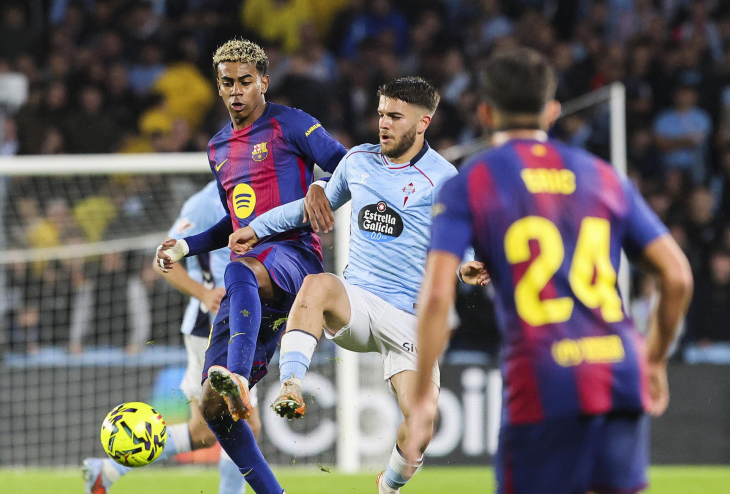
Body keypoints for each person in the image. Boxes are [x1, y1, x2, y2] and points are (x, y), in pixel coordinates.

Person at [404, 48, 694, 494]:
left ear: (484, 112)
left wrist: (422, 397)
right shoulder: (603, 174)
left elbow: (438, 294)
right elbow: (677, 277)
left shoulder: (473, 180)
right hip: (619, 369)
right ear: (553, 111)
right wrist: (652, 358)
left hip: (543, 376)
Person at [228, 76, 485, 494]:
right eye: (381, 114)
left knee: (420, 428)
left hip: (410, 319)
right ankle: (291, 384)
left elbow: (463, 236)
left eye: (395, 117)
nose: (383, 123)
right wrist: (257, 229)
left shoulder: (443, 177)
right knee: (317, 285)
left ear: (424, 122)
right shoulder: (358, 161)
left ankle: (388, 487)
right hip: (359, 301)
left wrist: (468, 265)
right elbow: (313, 205)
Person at [156, 38, 346, 494]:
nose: (237, 90)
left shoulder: (291, 124)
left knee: (238, 267)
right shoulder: (218, 147)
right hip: (256, 282)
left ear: (263, 81)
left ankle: (238, 376)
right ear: (218, 89)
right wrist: (188, 245)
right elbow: (234, 222)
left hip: (295, 257)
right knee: (213, 410)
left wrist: (321, 187)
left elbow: (349, 165)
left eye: (245, 81)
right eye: (227, 83)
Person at [83, 181, 260, 494]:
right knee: (243, 423)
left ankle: (109, 469)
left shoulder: (258, 190)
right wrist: (205, 293)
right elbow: (162, 259)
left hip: (236, 320)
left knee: (206, 430)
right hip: (215, 325)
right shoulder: (205, 203)